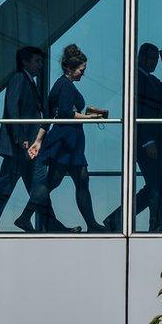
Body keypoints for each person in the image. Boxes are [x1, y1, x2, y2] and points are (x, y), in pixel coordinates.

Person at [16, 44, 109, 233]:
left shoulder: (60, 84)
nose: (83, 73)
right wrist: (90, 117)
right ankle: (25, 217)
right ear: (70, 69)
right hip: (66, 141)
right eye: (81, 70)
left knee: (79, 180)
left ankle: (91, 223)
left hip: (67, 141)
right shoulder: (65, 86)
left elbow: (50, 117)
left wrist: (39, 141)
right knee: (54, 181)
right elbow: (65, 114)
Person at [0, 46, 74, 233]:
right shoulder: (19, 79)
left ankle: (49, 224)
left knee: (38, 187)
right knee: (7, 184)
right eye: (37, 61)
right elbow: (12, 110)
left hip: (28, 146)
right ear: (25, 62)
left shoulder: (29, 82)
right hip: (19, 146)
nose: (40, 65)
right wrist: (21, 138)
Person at [104, 43, 162, 231]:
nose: (153, 63)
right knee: (157, 186)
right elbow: (138, 111)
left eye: (155, 60)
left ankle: (118, 219)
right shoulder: (136, 78)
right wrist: (147, 141)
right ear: (141, 59)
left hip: (155, 142)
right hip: (147, 143)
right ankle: (155, 227)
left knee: (156, 186)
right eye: (151, 59)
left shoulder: (151, 80)